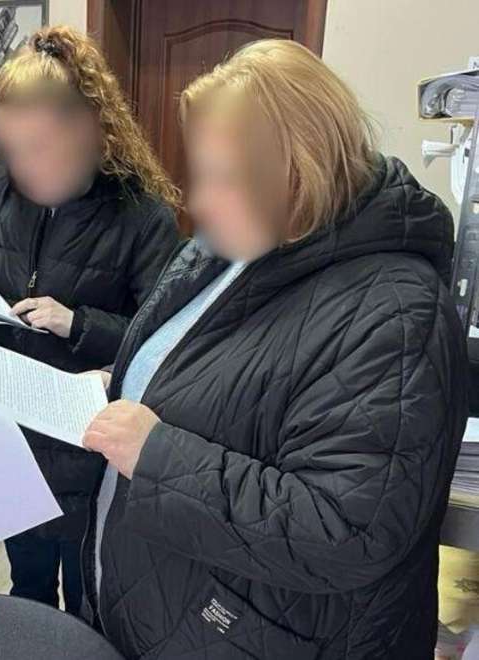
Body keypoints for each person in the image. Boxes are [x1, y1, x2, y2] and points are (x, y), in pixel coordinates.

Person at [81, 39, 469, 659]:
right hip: (164, 607)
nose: (196, 202)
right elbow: (213, 376)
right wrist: (127, 381)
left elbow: (345, 529)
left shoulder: (397, 312)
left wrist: (156, 456)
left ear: (297, 171)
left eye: (221, 178)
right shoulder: (230, 247)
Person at [0, 25, 180, 615]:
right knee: (27, 592)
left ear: (91, 130)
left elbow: (166, 346)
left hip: (90, 442)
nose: (26, 167)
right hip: (15, 433)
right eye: (12, 150)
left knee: (90, 604)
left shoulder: (143, 216)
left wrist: (78, 323)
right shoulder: (3, 199)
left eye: (40, 148)